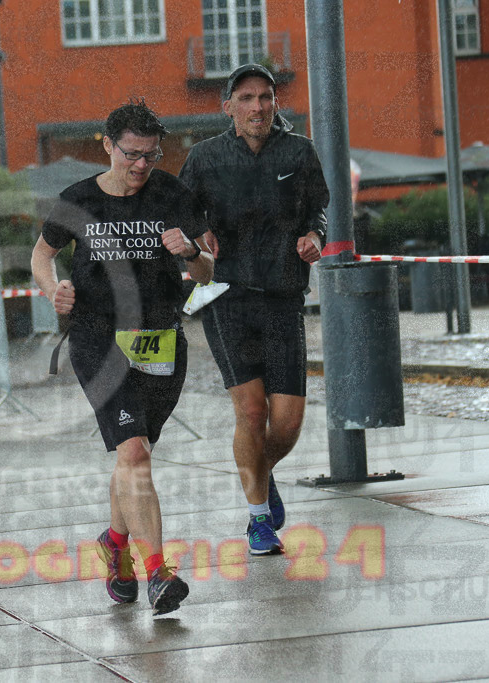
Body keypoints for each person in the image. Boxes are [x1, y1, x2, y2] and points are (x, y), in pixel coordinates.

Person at [31, 99, 213, 615]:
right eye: (131, 154)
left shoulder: (172, 194)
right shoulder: (78, 199)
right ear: (108, 145)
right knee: (134, 453)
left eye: (151, 156)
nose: (140, 166)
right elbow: (41, 254)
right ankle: (156, 571)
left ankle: (114, 541)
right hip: (97, 338)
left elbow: (206, 274)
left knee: (131, 454)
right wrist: (54, 289)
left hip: (160, 340)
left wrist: (192, 254)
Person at [178, 64, 329, 556]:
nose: (258, 106)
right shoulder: (204, 157)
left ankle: (260, 477)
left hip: (285, 296)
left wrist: (314, 237)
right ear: (228, 107)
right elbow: (180, 212)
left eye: (265, 97)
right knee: (252, 410)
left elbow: (317, 211)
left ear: (275, 104)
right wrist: (198, 231)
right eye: (246, 98)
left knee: (286, 423)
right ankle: (258, 519)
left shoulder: (299, 151)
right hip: (227, 297)